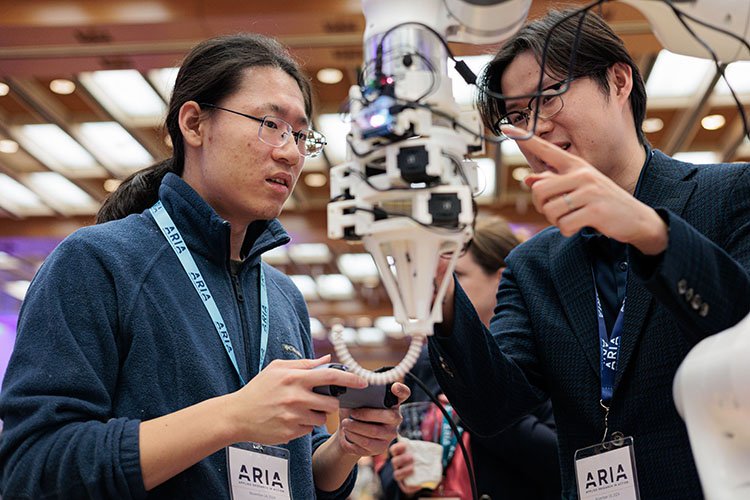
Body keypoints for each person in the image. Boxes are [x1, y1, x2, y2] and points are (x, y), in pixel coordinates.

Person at [0, 33, 409, 499]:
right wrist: (232, 417)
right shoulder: (97, 263)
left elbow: (296, 471)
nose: (291, 152)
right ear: (194, 124)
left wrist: (345, 446)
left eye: (300, 135)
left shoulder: (281, 295)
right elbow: (33, 467)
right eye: (270, 124)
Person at [426, 9, 750, 500]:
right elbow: (495, 408)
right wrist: (440, 294)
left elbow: (739, 325)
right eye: (516, 116)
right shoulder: (532, 265)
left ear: (618, 81)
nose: (533, 130)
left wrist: (650, 232)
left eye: (548, 97)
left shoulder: (728, 195)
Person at [378, 215, 560, 499]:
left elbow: (560, 459)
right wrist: (400, 475)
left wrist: (475, 402)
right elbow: (393, 462)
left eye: (456, 275)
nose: (441, 285)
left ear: (501, 280)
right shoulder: (426, 361)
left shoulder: (540, 353)